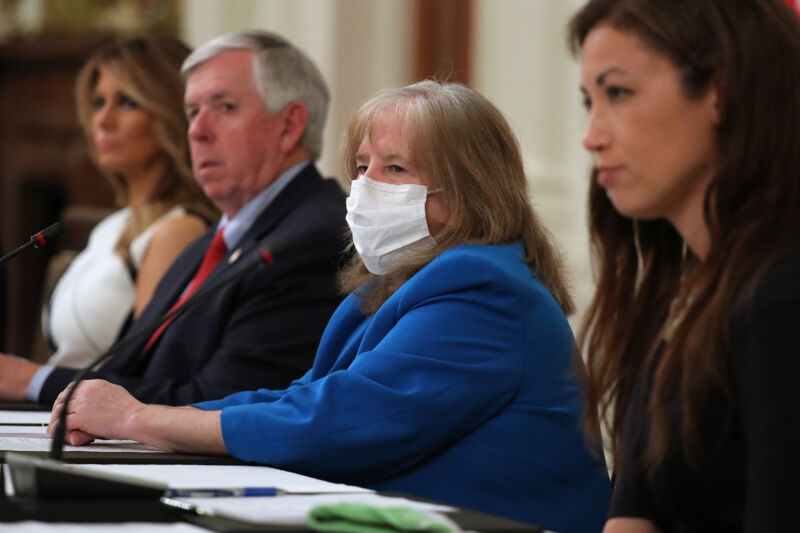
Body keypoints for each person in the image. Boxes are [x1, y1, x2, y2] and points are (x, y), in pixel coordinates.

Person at [49, 80, 611, 533]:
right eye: (362, 166)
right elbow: (301, 398)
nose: (365, 187)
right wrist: (143, 421)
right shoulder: (390, 288)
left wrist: (139, 420)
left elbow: (341, 421)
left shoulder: (484, 289)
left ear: (471, 191)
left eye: (395, 169)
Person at [0, 30, 346, 407]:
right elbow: (135, 374)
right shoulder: (216, 239)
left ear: (290, 125)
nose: (196, 131)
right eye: (193, 112)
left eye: (225, 107)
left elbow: (220, 403)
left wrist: (35, 381)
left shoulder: (308, 238)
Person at [569, 0, 800, 531]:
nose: (591, 135)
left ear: (718, 91)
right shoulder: (681, 289)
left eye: (618, 93)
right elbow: (635, 507)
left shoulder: (782, 294)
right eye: (589, 101)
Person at [0, 37, 217, 376]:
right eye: (98, 102)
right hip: (48, 413)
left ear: (170, 113)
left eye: (127, 102)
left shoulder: (180, 229)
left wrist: (28, 379)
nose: (103, 120)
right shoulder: (109, 227)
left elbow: (147, 376)